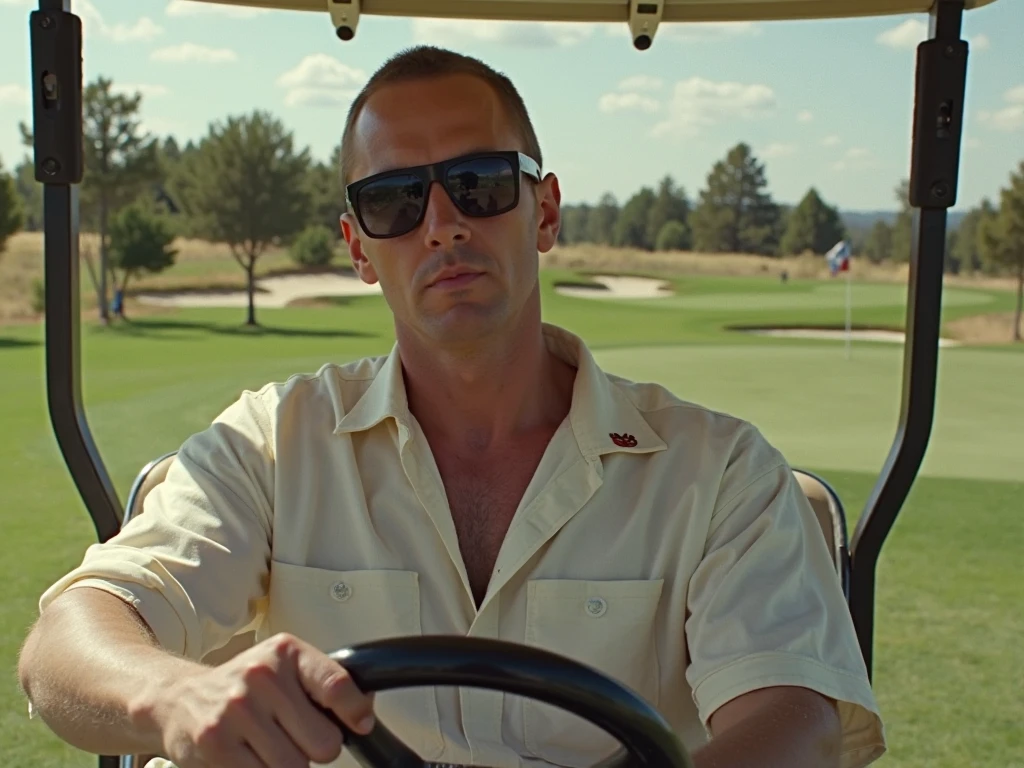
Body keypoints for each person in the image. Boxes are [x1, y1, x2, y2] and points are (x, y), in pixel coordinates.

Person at [17, 45, 886, 768]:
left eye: (478, 182)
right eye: (395, 200)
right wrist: (179, 690)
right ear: (359, 248)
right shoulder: (276, 444)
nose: (441, 225)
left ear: (542, 211)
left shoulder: (718, 472)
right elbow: (65, 644)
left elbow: (792, 716)